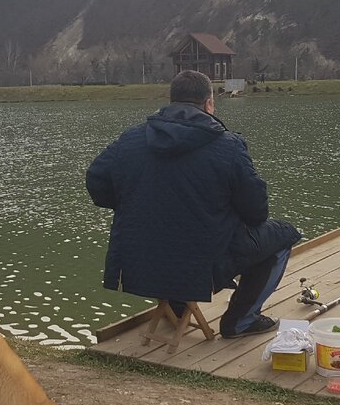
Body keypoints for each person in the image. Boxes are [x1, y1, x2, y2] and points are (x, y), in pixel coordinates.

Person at [86, 70, 302, 339]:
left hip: (139, 261)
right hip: (202, 264)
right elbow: (257, 212)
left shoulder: (131, 139)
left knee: (180, 234)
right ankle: (241, 321)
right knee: (283, 234)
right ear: (209, 104)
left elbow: (96, 181)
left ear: (171, 101)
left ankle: (177, 309)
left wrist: (130, 203)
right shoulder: (228, 146)